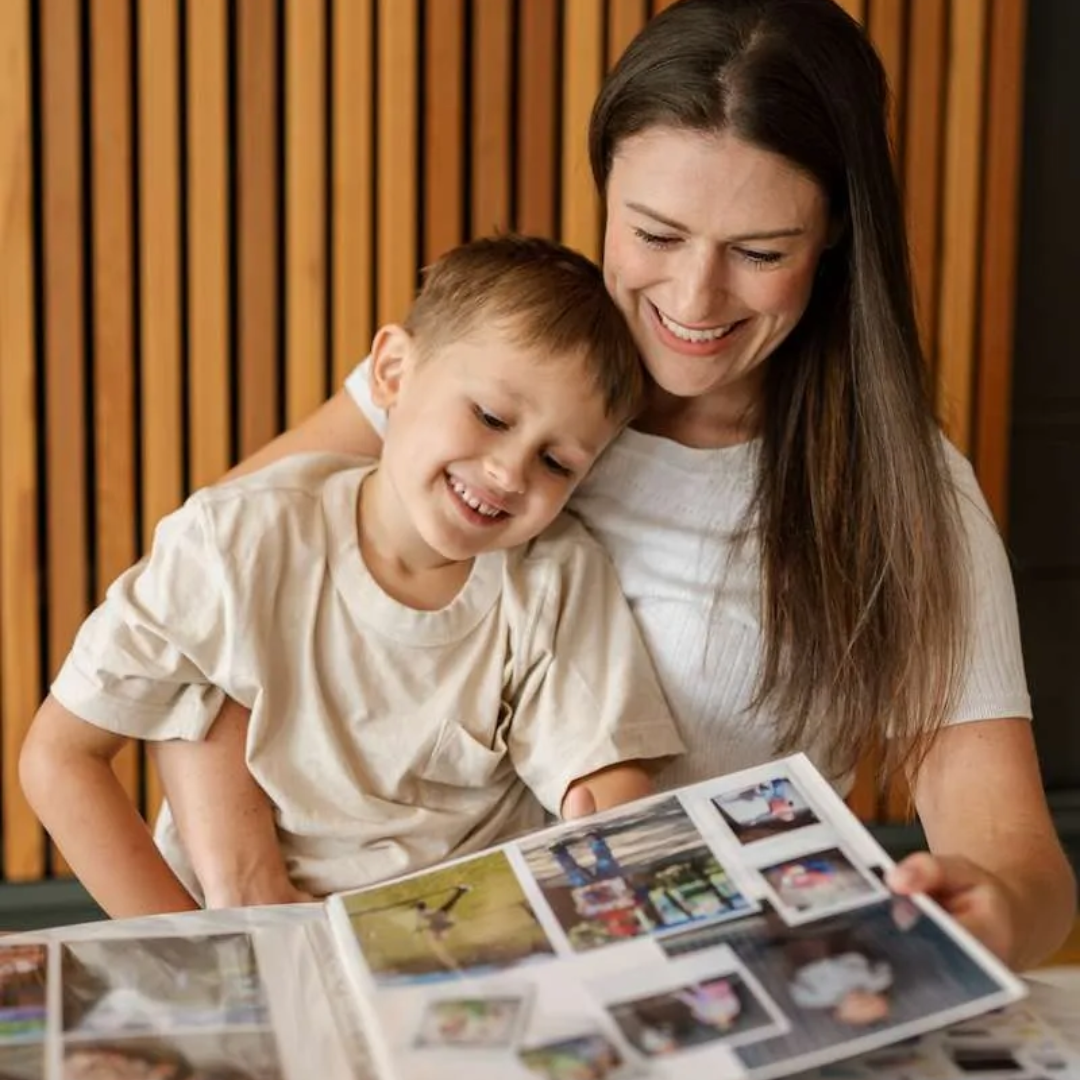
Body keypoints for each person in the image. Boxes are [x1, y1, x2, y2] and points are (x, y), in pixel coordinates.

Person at [77, 0, 1078, 967]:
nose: (694, 297)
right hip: (300, 941)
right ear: (605, 189)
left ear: (834, 236)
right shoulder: (480, 384)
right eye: (655, 234)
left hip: (646, 982)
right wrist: (246, 895)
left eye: (759, 253)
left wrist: (996, 911)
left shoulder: (899, 490)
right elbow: (202, 602)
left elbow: (1018, 858)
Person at [18, 236, 685, 916]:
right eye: (490, 417)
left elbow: (601, 778)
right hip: (252, 936)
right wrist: (189, 948)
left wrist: (615, 831)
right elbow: (58, 757)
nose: (509, 473)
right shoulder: (235, 539)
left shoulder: (557, 577)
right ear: (392, 371)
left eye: (557, 463)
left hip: (461, 945)